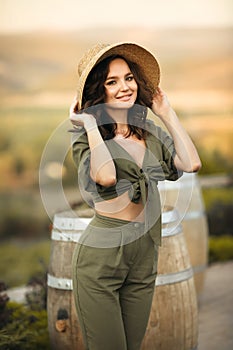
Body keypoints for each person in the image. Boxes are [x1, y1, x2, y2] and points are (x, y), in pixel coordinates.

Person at [69, 42, 201, 350]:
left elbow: (191, 163)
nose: (125, 87)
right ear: (98, 91)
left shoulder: (149, 132)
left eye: (128, 78)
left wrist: (167, 113)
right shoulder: (86, 137)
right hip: (101, 258)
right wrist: (90, 122)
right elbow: (106, 176)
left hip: (144, 253)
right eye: (112, 81)